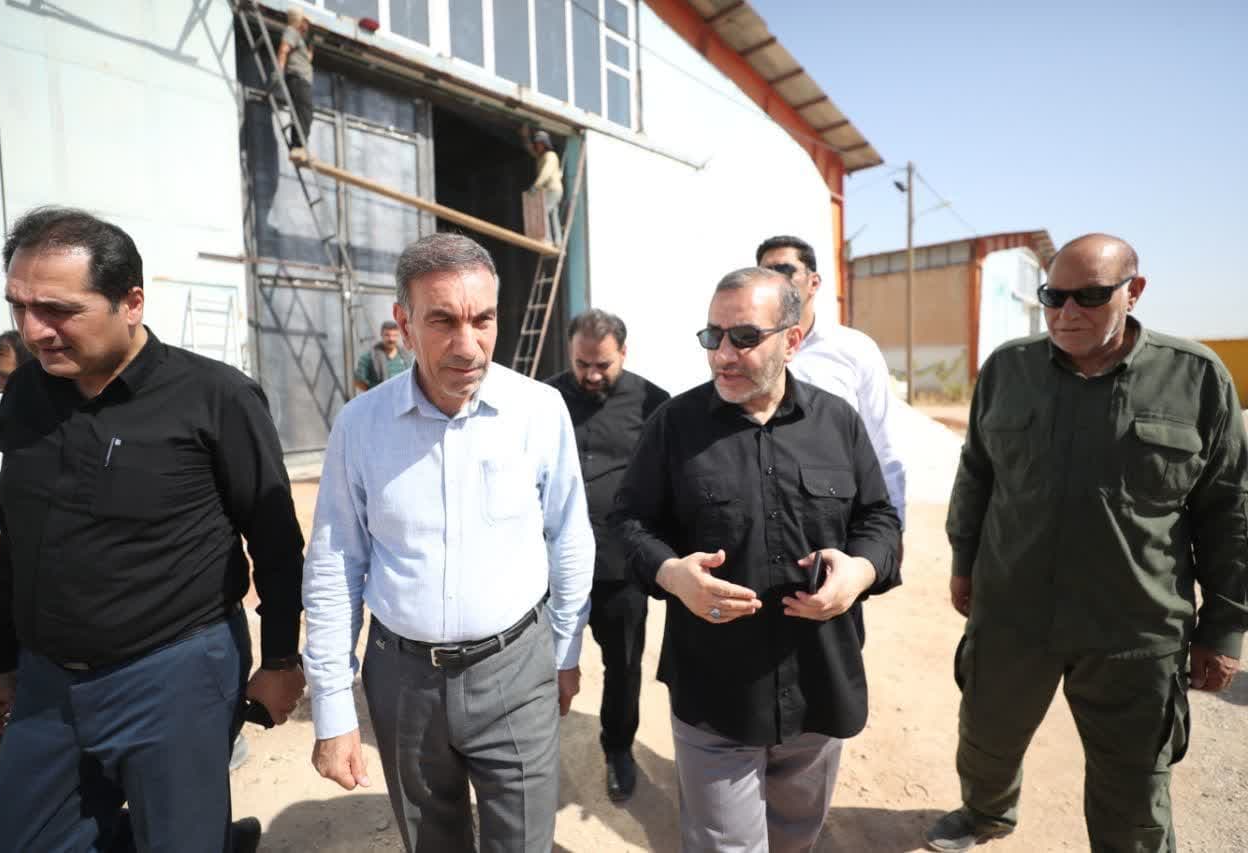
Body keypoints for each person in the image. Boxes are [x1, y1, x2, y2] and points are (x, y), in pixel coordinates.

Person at [0, 207, 307, 853]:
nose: (33, 330)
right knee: (24, 838)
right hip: (48, 681)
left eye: (57, 310)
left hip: (172, 674)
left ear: (131, 302)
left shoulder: (216, 399)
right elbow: (21, 534)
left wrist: (280, 660)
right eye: (20, 306)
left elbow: (274, 540)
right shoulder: (27, 394)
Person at [926, 234, 1248, 853]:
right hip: (1013, 612)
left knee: (1134, 782)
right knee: (988, 737)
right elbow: (977, 476)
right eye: (1054, 297)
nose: (1067, 313)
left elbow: (1229, 511)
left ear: (1134, 292)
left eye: (1091, 297)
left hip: (1134, 626)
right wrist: (964, 564)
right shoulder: (1008, 369)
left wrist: (1225, 627)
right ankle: (985, 814)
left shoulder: (1197, 378)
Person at [303, 232, 594, 851]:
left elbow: (569, 533)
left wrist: (565, 652)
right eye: (442, 321)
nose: (468, 345)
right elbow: (335, 564)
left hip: (517, 672)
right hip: (402, 681)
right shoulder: (360, 426)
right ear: (404, 324)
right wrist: (332, 705)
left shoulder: (539, 411)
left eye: (482, 320)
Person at [614, 268, 901, 852]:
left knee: (796, 838)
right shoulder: (673, 426)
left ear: (791, 341)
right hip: (715, 690)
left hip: (818, 682)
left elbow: (879, 519)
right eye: (712, 336)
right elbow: (628, 523)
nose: (723, 355)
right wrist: (672, 574)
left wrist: (860, 572)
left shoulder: (838, 422)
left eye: (744, 337)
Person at [546, 309, 669, 802]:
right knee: (538, 665)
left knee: (623, 666)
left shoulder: (654, 404)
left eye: (603, 365)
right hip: (551, 568)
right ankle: (533, 755)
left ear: (624, 353)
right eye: (582, 364)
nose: (592, 375)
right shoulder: (545, 399)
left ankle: (618, 748)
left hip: (621, 569)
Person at [756, 235, 907, 529]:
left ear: (814, 282)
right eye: (765, 273)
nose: (774, 281)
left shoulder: (854, 350)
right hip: (767, 519)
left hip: (838, 517)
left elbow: (882, 443)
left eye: (784, 270)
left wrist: (894, 524)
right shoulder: (746, 350)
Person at [277, 7, 314, 162]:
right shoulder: (292, 31)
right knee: (303, 112)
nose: (307, 24)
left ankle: (298, 147)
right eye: (305, 21)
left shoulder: (301, 39)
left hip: (302, 80)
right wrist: (279, 71)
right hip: (297, 78)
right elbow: (283, 49)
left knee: (304, 113)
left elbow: (308, 58)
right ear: (298, 20)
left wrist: (310, 42)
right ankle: (298, 147)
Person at [523, 128, 564, 245]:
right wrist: (525, 137)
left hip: (552, 189)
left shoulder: (550, 156)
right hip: (551, 190)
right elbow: (530, 150)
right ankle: (558, 241)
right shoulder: (541, 157)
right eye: (537, 144)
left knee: (544, 211)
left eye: (540, 144)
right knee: (553, 214)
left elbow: (546, 173)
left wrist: (536, 186)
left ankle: (548, 239)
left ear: (545, 144)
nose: (538, 146)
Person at [353, 320, 413, 392]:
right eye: (387, 335)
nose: (391, 339)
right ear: (381, 335)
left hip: (403, 395)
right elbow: (358, 380)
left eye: (394, 335)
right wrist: (373, 392)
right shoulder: (370, 357)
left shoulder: (407, 356)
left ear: (399, 335)